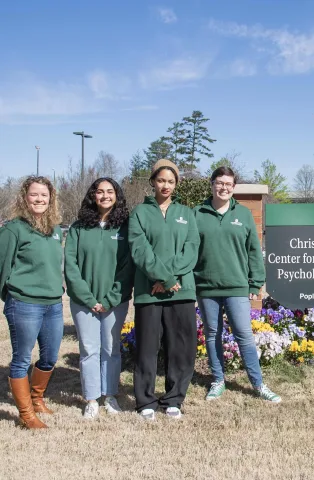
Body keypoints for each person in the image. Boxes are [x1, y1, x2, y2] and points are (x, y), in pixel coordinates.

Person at [193, 166, 281, 403]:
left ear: (233, 188)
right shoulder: (197, 213)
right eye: (220, 183)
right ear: (211, 184)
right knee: (212, 334)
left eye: (229, 184)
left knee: (244, 335)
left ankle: (258, 384)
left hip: (237, 286)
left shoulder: (242, 214)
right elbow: (189, 250)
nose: (224, 187)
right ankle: (217, 380)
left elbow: (254, 249)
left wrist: (256, 283)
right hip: (206, 287)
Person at [128, 159, 200, 420]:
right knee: (147, 347)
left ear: (176, 184)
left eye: (170, 181)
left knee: (181, 347)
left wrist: (171, 278)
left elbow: (191, 249)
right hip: (150, 291)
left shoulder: (187, 213)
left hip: (182, 291)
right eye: (161, 180)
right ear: (152, 182)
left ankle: (174, 398)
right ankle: (145, 399)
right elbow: (140, 250)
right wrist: (165, 278)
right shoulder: (139, 213)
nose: (165, 185)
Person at [65, 177, 133, 419]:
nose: (105, 195)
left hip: (115, 301)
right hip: (84, 302)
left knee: (111, 348)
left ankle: (110, 394)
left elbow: (128, 267)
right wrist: (88, 297)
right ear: (92, 196)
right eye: (100, 191)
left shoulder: (125, 227)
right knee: (89, 349)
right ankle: (92, 398)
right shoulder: (78, 228)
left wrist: (111, 297)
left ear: (117, 195)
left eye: (110, 191)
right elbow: (71, 266)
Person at [0, 176, 63, 429]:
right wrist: (11, 297)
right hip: (24, 303)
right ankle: (26, 414)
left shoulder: (55, 229)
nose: (39, 199)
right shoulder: (13, 229)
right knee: (21, 359)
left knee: (49, 357)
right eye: (34, 195)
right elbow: (2, 267)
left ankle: (37, 398)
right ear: (25, 198)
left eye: (44, 195)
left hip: (54, 304)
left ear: (51, 199)